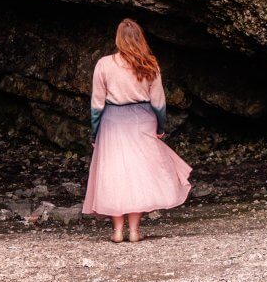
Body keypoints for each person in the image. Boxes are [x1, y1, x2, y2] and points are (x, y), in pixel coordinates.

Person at [82, 18, 192, 242]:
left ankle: (117, 232)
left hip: (113, 121)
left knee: (114, 173)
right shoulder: (150, 64)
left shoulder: (104, 64)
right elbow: (159, 102)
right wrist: (160, 127)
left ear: (118, 39)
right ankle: (134, 231)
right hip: (143, 119)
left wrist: (95, 132)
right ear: (140, 38)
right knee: (139, 173)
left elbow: (96, 104)